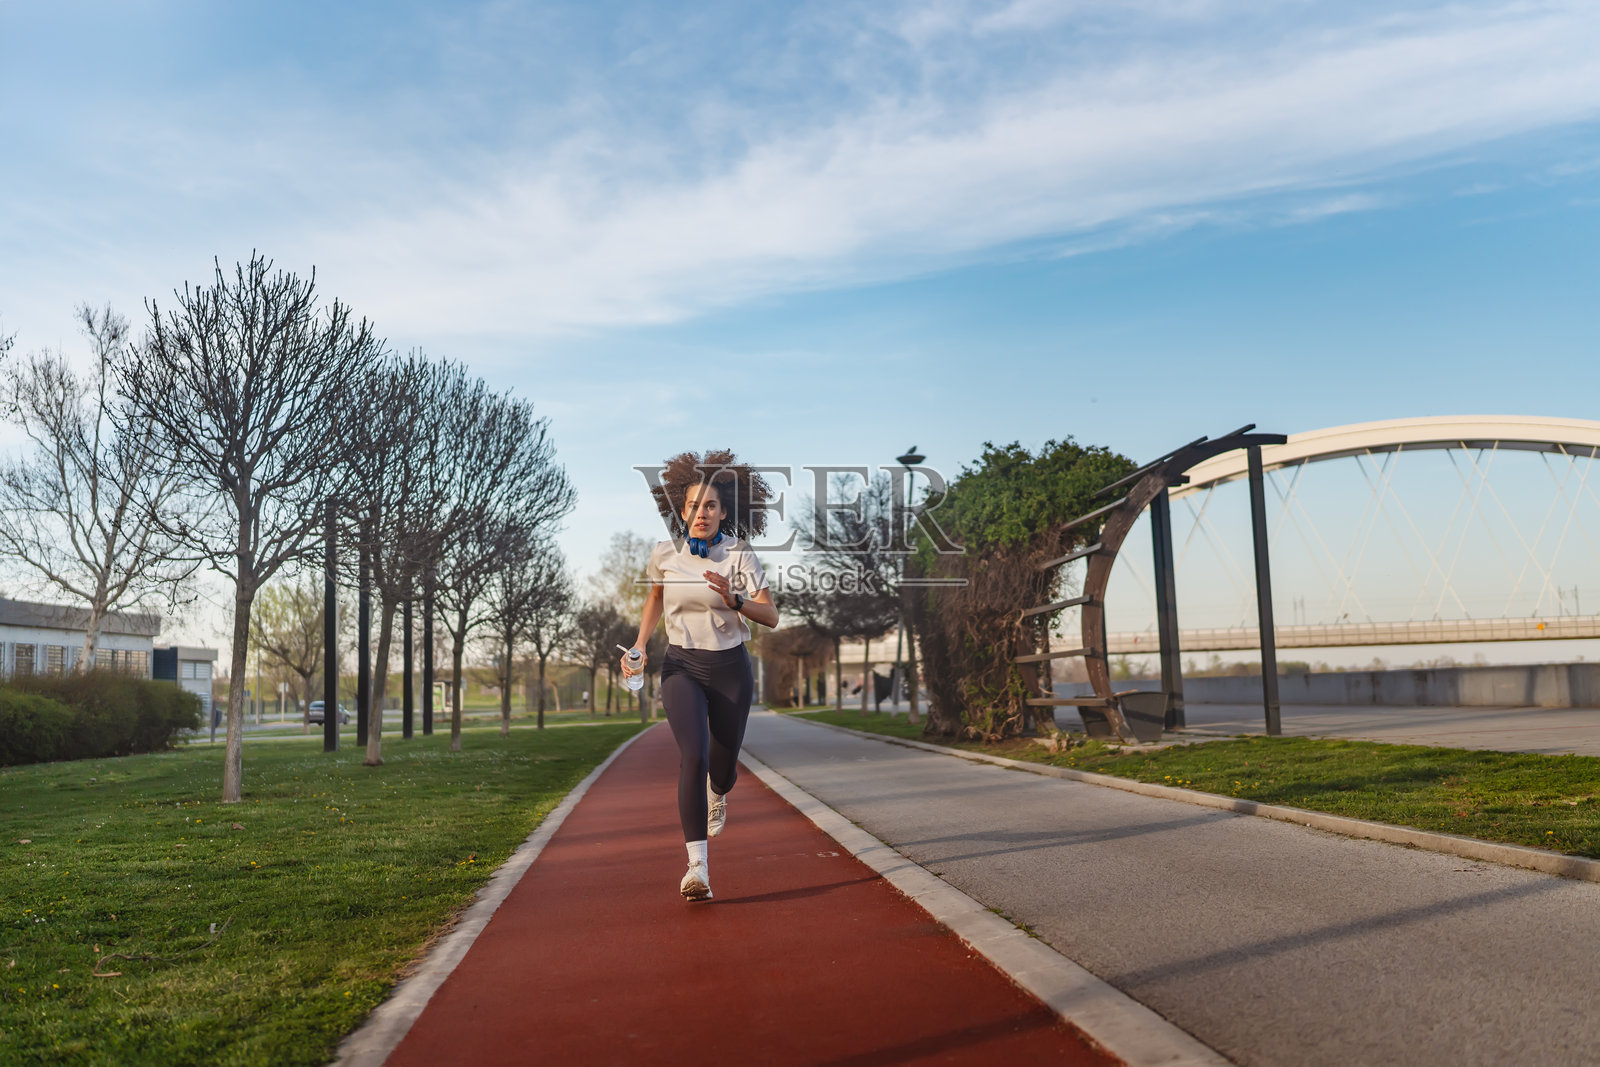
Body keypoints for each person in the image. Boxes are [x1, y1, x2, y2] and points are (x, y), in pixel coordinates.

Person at [621, 450, 779, 901]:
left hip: (730, 668)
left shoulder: (740, 554)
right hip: (681, 665)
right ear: (680, 510)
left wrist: (736, 601)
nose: (700, 513)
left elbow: (770, 615)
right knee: (694, 754)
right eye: (692, 506)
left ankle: (719, 789)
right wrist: (639, 645)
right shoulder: (664, 554)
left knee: (722, 768)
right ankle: (698, 867)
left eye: (710, 506)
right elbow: (654, 598)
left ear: (724, 511)